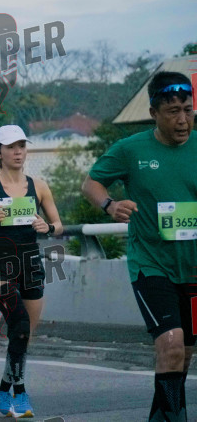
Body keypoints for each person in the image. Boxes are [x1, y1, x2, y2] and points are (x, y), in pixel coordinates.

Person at [82, 72, 195, 422]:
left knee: (183, 353)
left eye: (188, 110)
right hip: (151, 265)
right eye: (173, 111)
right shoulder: (131, 149)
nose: (183, 119)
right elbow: (91, 183)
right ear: (153, 113)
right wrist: (110, 205)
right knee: (171, 343)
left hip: (192, 267)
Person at [0, 125, 62, 418]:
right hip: (1, 265)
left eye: (21, 146)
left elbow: (59, 225)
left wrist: (47, 227)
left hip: (31, 263)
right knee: (18, 326)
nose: (18, 152)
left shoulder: (39, 186)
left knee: (23, 335)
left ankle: (3, 390)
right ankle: (20, 393)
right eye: (11, 147)